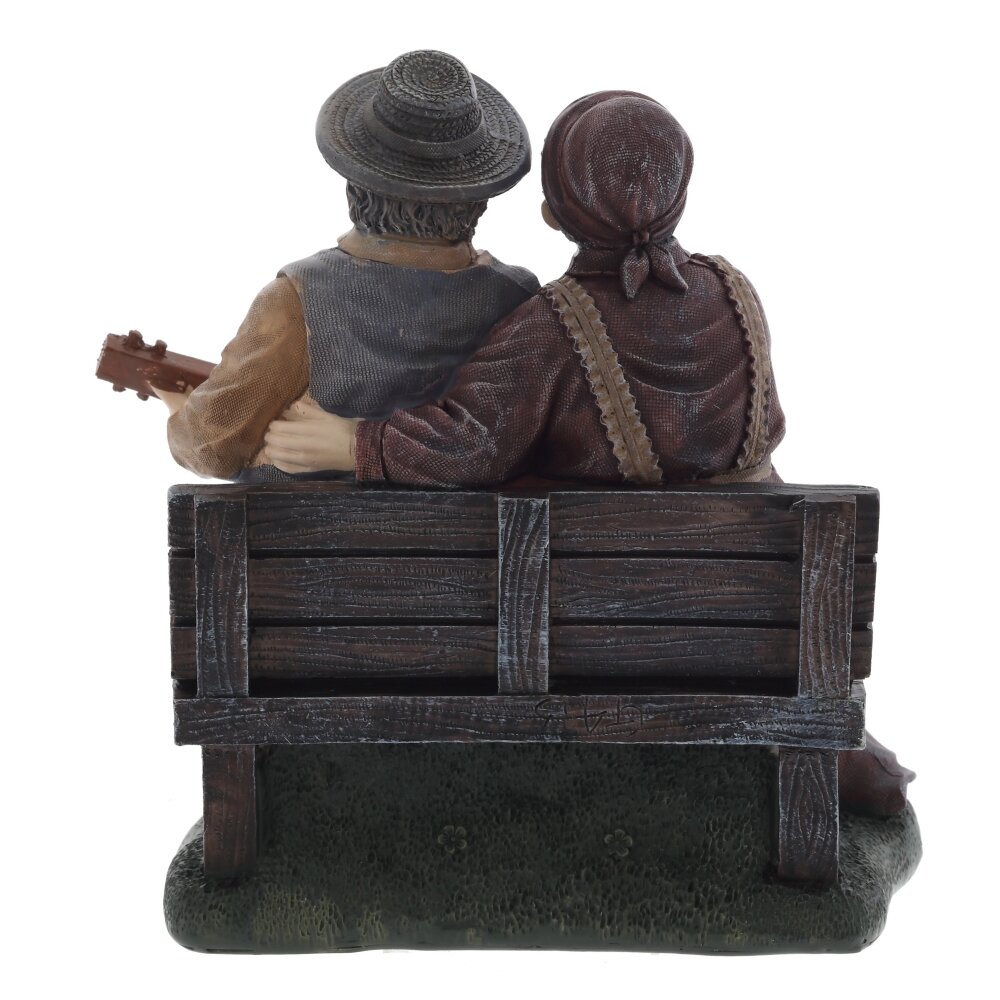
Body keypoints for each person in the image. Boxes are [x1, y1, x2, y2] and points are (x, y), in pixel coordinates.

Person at [264, 90, 914, 817]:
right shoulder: (735, 292)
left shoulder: (549, 326)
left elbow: (467, 447)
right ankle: (833, 734)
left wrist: (360, 441)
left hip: (616, 629)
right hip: (756, 622)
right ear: (680, 194)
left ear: (552, 213)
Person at [155, 49, 538, 481]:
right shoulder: (521, 299)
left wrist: (182, 413)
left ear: (356, 181)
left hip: (306, 525)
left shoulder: (297, 296)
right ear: (477, 196)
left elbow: (212, 447)